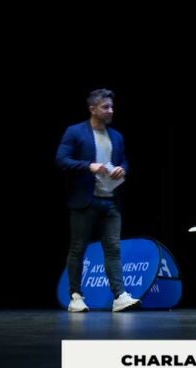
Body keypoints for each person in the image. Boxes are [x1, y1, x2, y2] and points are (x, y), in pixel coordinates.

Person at [55, 88, 140, 313]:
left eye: (112, 107)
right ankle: (75, 296)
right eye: (105, 107)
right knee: (78, 248)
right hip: (85, 200)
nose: (110, 111)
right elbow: (61, 160)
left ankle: (119, 296)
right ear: (92, 108)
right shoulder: (75, 132)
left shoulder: (116, 136)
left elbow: (124, 161)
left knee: (113, 249)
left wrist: (123, 169)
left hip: (110, 201)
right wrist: (88, 166)